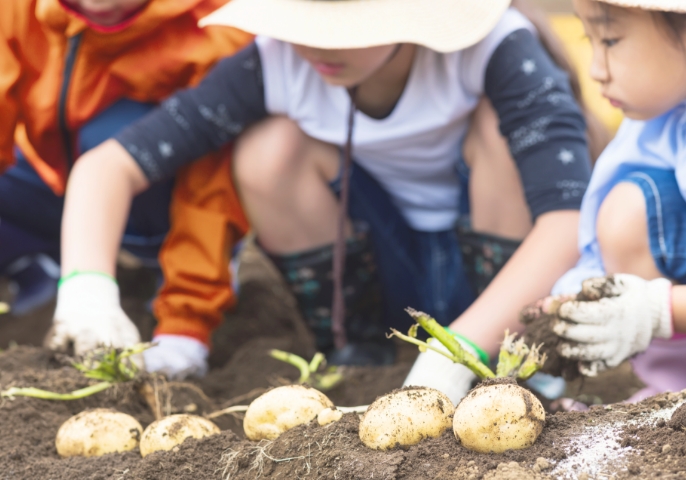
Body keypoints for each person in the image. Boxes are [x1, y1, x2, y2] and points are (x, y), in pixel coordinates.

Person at [57, 0, 595, 397]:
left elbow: (566, 222)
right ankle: (356, 348)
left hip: (506, 279)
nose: (316, 47)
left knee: (500, 135)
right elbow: (108, 166)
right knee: (268, 149)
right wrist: (87, 290)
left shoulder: (498, 51)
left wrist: (465, 347)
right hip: (380, 271)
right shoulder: (277, 61)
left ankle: (515, 363)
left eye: (346, 28)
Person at [0, 0, 252, 377]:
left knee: (110, 133)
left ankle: (163, 270)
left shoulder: (217, 26)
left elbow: (210, 190)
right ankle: (46, 266)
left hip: (152, 202)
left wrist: (185, 325)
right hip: (55, 180)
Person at [529, 0, 686, 402]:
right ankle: (671, 387)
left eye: (612, 40)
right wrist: (575, 299)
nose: (597, 69)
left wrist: (658, 309)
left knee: (632, 211)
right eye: (590, 39)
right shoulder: (656, 123)